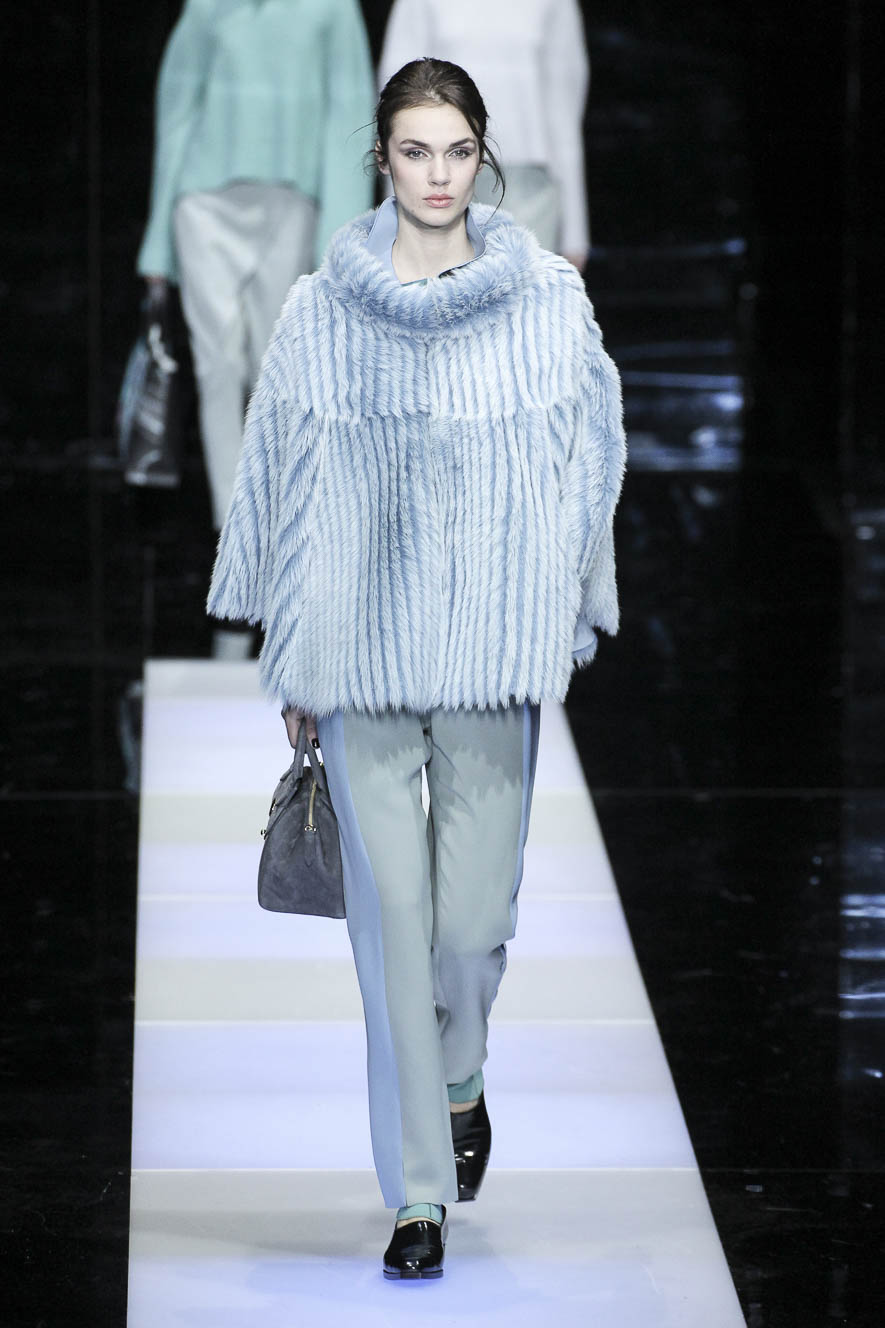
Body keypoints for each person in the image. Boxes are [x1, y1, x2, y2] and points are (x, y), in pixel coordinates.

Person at [207, 58, 625, 1280]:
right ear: (382, 158)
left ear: (482, 156)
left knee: (472, 928)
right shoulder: (319, 311)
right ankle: (418, 1195)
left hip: (491, 647)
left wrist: (570, 600)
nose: (437, 175)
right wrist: (291, 647)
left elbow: (593, 459)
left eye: (456, 151)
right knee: (390, 931)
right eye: (413, 151)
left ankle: (461, 1076)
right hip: (357, 652)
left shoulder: (545, 300)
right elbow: (278, 476)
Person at [137, 0, 374, 658]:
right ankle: (236, 543)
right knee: (217, 370)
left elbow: (350, 115)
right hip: (202, 202)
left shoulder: (333, 8)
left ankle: (274, 540)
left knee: (277, 381)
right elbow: (177, 108)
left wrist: (341, 243)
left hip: (291, 202)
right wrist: (157, 242)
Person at [379, 0, 591, 270]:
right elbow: (397, 104)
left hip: (529, 185)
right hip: (438, 175)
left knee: (523, 293)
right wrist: (394, 215)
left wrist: (574, 233)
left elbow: (564, 109)